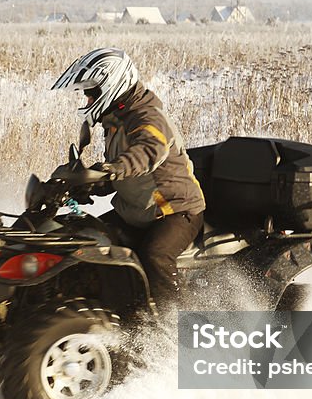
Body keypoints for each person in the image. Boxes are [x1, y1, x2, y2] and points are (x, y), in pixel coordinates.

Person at [51, 47, 206, 309]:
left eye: (91, 92)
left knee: (155, 256)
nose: (87, 100)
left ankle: (177, 328)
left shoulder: (147, 117)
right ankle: (120, 314)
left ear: (111, 85)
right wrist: (89, 184)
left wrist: (112, 169)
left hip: (174, 210)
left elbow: (147, 151)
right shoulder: (116, 120)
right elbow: (124, 175)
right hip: (137, 211)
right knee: (93, 240)